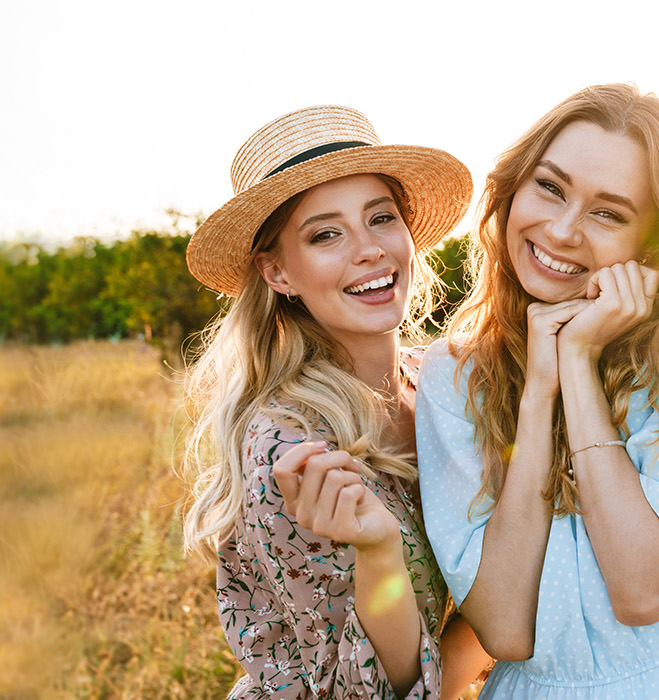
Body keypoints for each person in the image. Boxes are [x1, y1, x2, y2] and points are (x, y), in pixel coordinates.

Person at [415, 83, 659, 699]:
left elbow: (643, 589)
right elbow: (505, 629)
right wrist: (539, 393)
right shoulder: (453, 375)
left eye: (608, 212)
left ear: (654, 242)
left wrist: (578, 361)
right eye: (549, 186)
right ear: (513, 188)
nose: (563, 230)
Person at [180, 104, 487, 700]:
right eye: (326, 234)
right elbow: (365, 691)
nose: (369, 250)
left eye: (382, 218)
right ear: (277, 273)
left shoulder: (439, 383)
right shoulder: (290, 449)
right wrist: (378, 553)